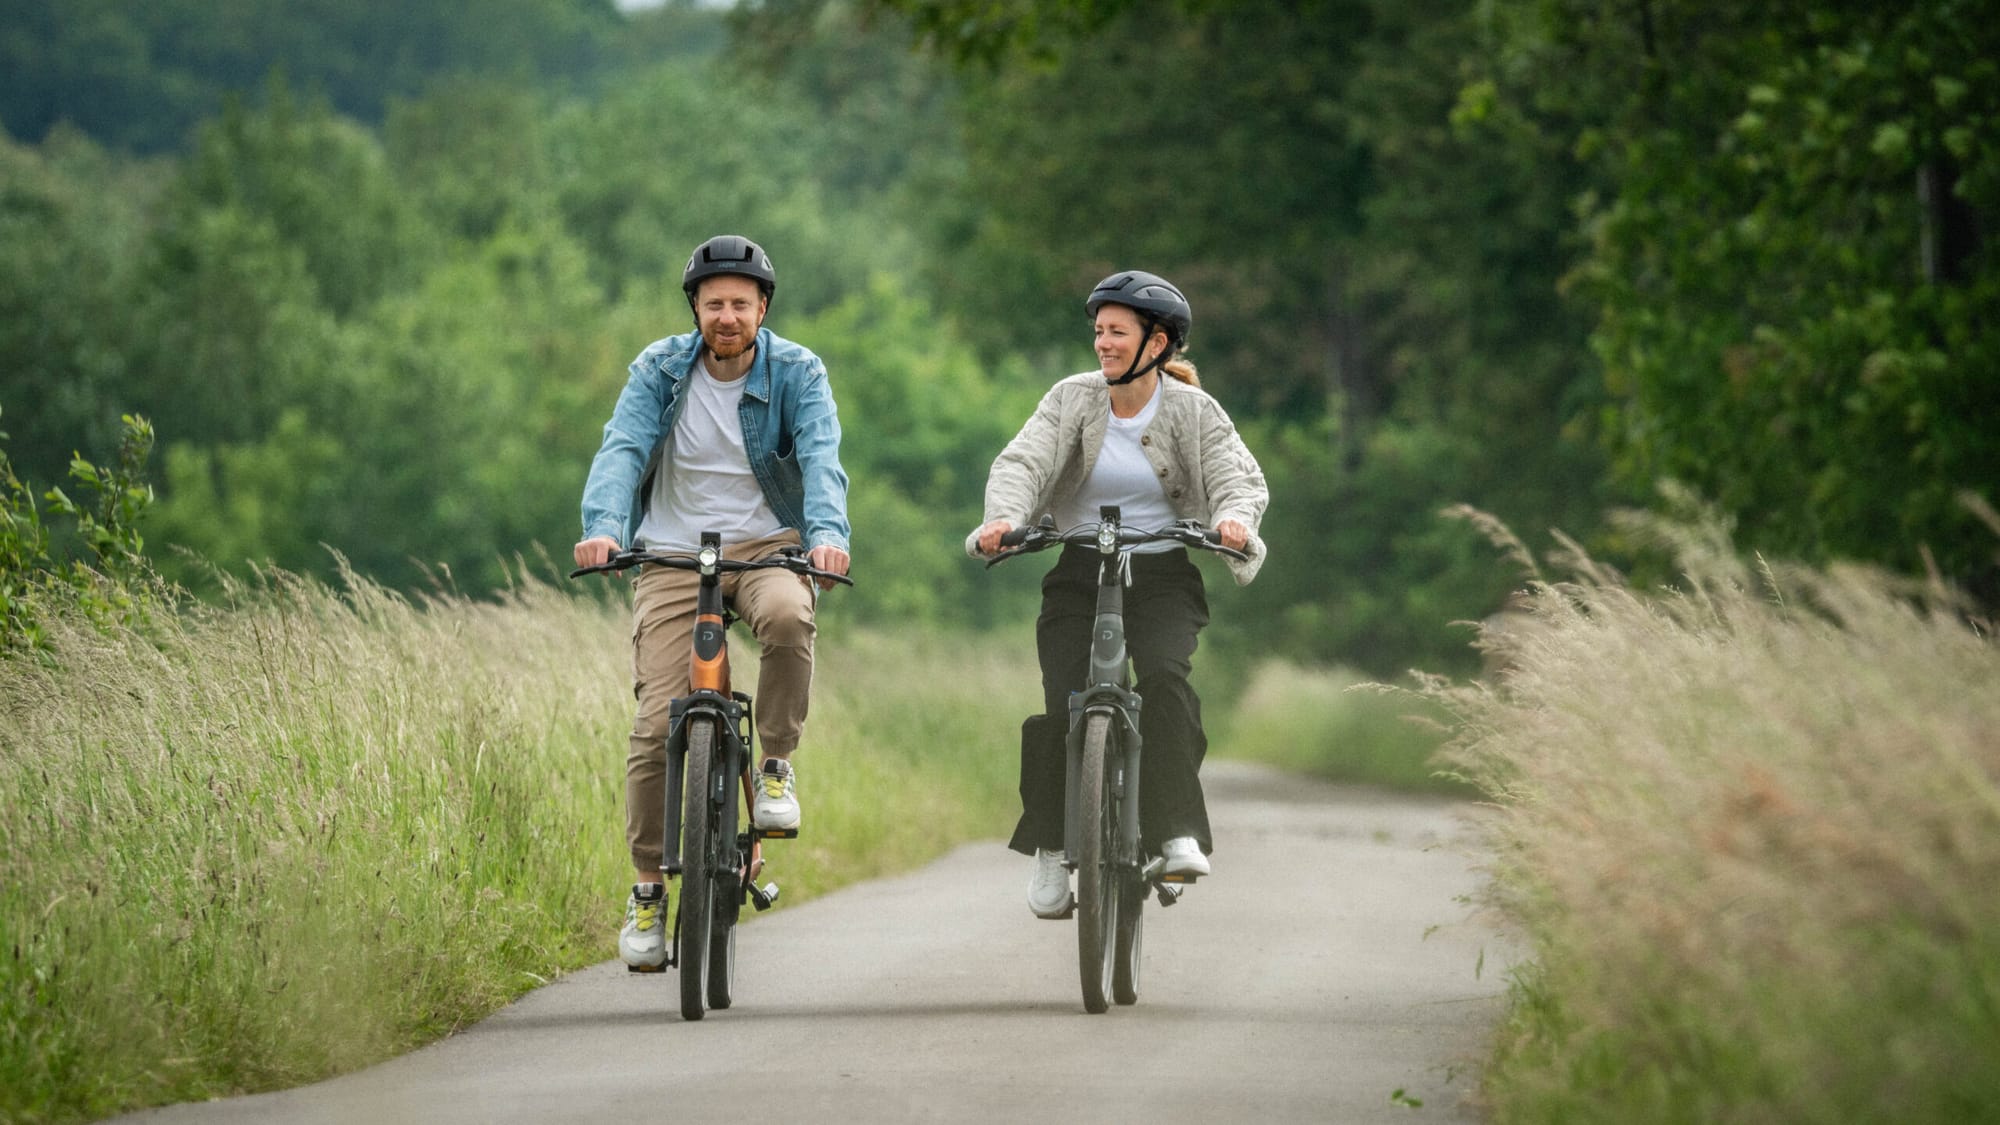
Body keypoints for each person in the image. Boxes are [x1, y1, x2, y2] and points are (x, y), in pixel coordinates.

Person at [576, 234, 851, 971]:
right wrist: (603, 529)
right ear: (694, 309)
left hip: (767, 546)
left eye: (740, 303)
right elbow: (622, 449)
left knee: (789, 616)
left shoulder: (798, 372)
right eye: (713, 303)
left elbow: (822, 458)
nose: (726, 316)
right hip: (671, 552)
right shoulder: (658, 369)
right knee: (650, 726)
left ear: (763, 309)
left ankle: (774, 765)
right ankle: (647, 891)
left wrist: (827, 538)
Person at [967, 269, 1268, 918]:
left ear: (1157, 343)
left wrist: (1233, 520)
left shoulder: (1194, 411)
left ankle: (1175, 832)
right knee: (1062, 700)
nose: (1102, 343)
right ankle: (1053, 848)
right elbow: (1024, 462)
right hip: (1079, 568)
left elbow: (1236, 477)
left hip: (1162, 574)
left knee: (1164, 682)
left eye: (1117, 332)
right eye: (1099, 331)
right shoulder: (1071, 399)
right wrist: (1003, 519)